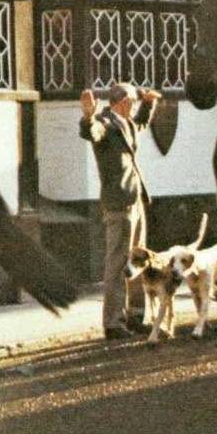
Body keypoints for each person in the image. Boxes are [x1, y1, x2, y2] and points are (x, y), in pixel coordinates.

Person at [79, 81, 160, 340]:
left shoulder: (125, 123)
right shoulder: (105, 122)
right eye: (134, 101)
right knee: (117, 263)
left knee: (138, 260)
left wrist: (149, 102)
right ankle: (113, 322)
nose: (135, 106)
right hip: (118, 203)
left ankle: (136, 316)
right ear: (123, 102)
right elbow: (92, 132)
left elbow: (141, 123)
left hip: (136, 200)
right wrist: (88, 116)